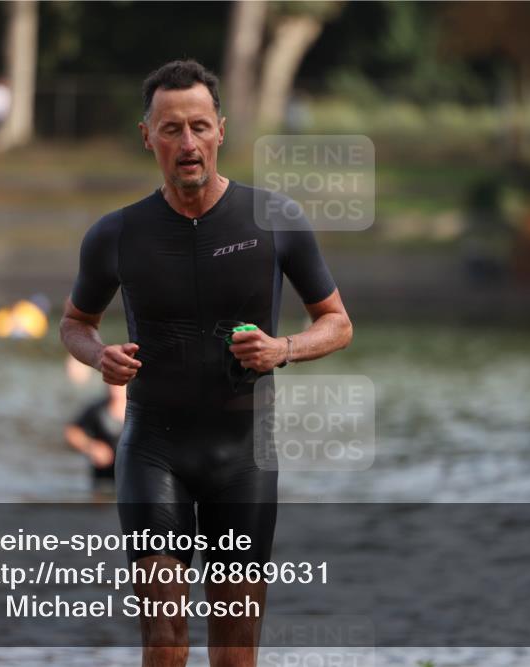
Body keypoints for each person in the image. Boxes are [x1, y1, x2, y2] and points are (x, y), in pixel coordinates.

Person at [60, 60, 352, 667]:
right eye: (170, 129)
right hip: (152, 452)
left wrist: (283, 349)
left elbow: (338, 323)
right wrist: (99, 357)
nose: (186, 143)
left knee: (235, 643)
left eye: (198, 126)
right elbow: (75, 323)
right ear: (148, 136)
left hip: (242, 456)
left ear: (220, 130)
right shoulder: (115, 234)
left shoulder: (275, 221)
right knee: (164, 638)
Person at [65, 383, 126, 489]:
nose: (116, 387)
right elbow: (72, 432)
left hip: (130, 480)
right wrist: (91, 446)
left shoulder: (140, 412)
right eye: (113, 383)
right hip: (102, 480)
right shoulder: (97, 410)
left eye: (121, 384)